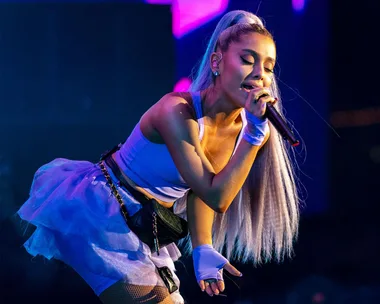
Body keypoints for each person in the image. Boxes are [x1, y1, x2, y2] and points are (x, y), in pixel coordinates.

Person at [17, 9, 300, 304]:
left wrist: (203, 246)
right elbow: (218, 196)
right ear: (217, 62)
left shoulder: (241, 127)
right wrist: (254, 136)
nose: (260, 75)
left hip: (145, 227)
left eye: (269, 67)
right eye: (247, 60)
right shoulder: (176, 111)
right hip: (105, 216)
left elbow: (200, 187)